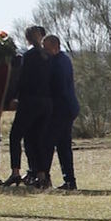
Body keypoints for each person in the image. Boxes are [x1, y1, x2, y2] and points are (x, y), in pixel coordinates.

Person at [4, 25, 52, 188]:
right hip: (46, 102)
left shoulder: (29, 55)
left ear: (27, 38)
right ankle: (41, 175)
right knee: (36, 138)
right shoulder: (47, 56)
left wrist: (13, 97)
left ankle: (15, 172)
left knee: (15, 136)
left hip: (29, 101)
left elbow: (22, 79)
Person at [43, 34, 80, 190]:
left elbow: (57, 87)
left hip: (61, 109)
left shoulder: (57, 63)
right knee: (63, 145)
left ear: (53, 46)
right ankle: (69, 180)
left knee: (48, 143)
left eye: (45, 47)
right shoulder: (64, 59)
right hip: (68, 107)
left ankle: (44, 177)